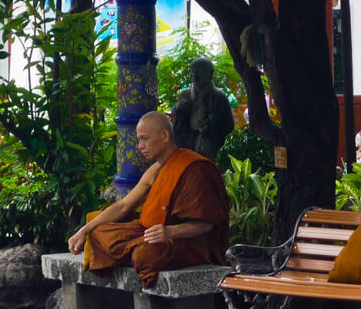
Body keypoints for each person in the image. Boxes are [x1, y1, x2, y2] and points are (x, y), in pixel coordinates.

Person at [67, 111, 229, 288]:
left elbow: (206, 225)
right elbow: (123, 205)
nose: (139, 146)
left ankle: (130, 253)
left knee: (144, 255)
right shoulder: (156, 169)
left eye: (145, 139)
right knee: (97, 230)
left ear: (165, 135)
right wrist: (84, 230)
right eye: (138, 140)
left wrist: (170, 232)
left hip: (185, 242)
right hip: (152, 233)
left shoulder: (195, 168)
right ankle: (131, 250)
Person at [171, 57, 235, 160]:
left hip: (211, 146)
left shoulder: (219, 97)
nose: (195, 76)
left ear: (210, 73)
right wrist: (179, 110)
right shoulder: (185, 95)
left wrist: (211, 121)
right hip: (188, 145)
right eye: (192, 71)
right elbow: (176, 125)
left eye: (199, 71)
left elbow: (229, 126)